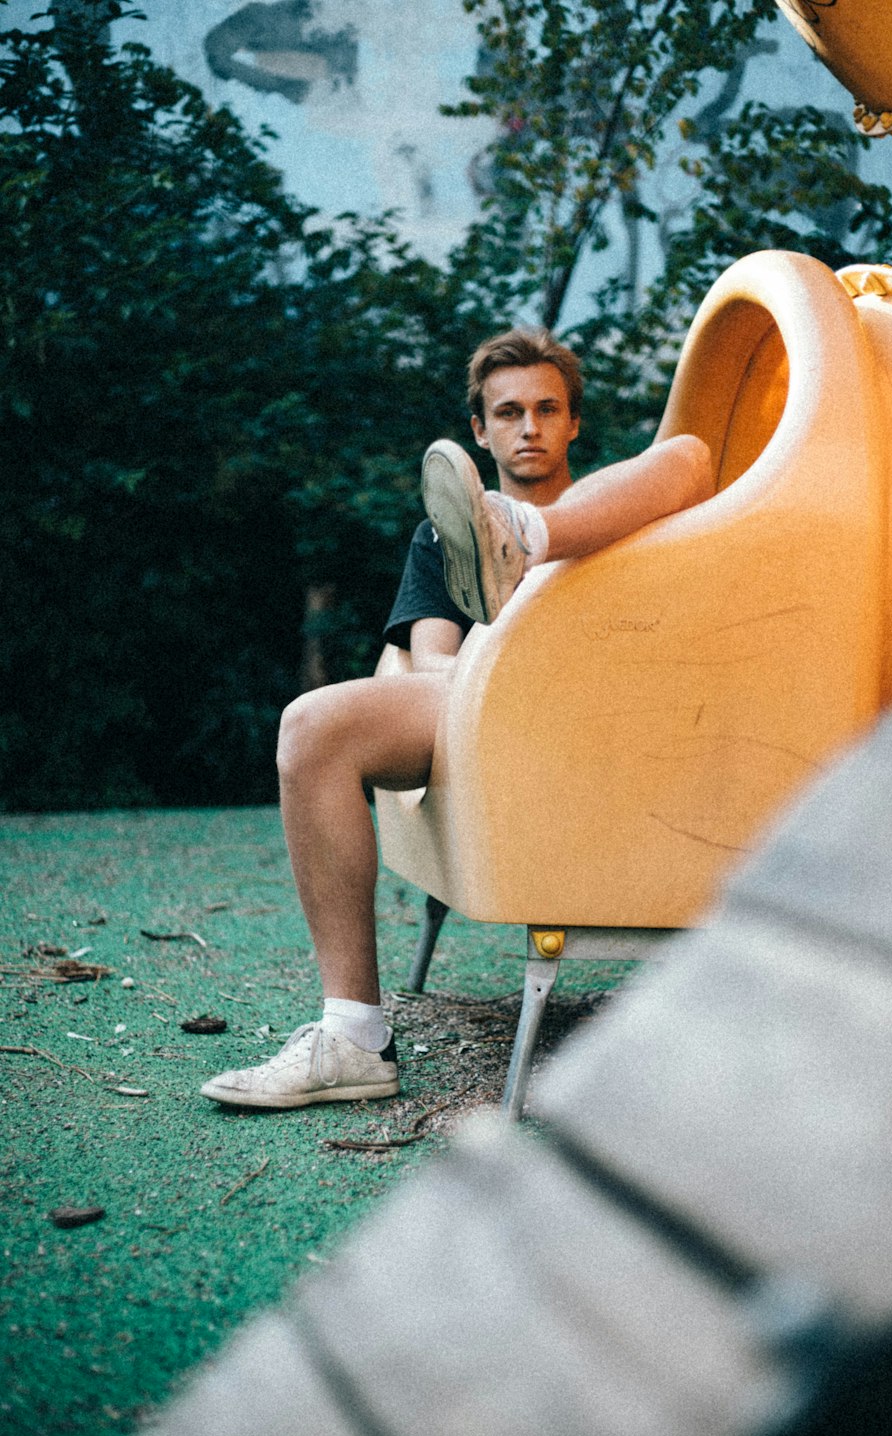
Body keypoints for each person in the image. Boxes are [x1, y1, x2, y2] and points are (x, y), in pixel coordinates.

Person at [200, 327, 713, 1109]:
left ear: (575, 422)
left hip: (613, 709)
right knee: (311, 726)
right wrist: (502, 666)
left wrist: (539, 542)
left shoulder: (616, 496)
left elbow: (694, 468)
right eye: (508, 413)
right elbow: (433, 662)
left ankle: (528, 538)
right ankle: (353, 1038)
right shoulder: (440, 538)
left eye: (548, 409)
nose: (530, 427)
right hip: (498, 706)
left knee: (686, 455)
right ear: (481, 430)